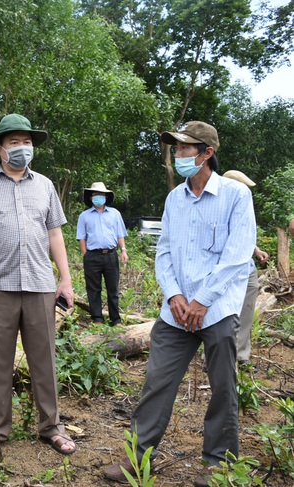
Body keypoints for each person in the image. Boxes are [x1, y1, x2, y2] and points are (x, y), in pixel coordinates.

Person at [103, 121, 256, 487]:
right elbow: (166, 251)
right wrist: (175, 296)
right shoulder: (175, 198)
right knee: (157, 382)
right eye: (177, 148)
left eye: (186, 148)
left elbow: (237, 256)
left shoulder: (236, 196)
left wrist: (202, 300)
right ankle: (137, 459)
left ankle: (218, 463)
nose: (179, 154)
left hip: (217, 309)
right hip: (176, 311)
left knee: (223, 387)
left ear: (207, 153)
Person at [0, 113, 77, 457]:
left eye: (27, 142)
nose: (22, 148)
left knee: (45, 361)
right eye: (14, 143)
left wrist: (65, 279)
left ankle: (51, 427)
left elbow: (55, 233)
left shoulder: (45, 185)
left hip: (40, 284)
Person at [221, 170, 269, 364]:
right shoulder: (219, 206)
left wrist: (256, 251)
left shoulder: (243, 205)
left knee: (246, 312)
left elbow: (244, 234)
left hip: (247, 268)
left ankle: (241, 355)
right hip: (227, 270)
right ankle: (216, 357)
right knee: (223, 314)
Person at [76, 182, 128, 326]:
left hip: (111, 254)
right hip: (92, 256)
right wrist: (85, 254)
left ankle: (115, 319)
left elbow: (120, 234)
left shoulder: (115, 214)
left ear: (106, 196)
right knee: (93, 288)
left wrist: (123, 250)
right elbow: (82, 237)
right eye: (95, 194)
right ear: (91, 197)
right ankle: (97, 318)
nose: (98, 197)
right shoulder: (84, 216)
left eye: (101, 194)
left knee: (113, 289)